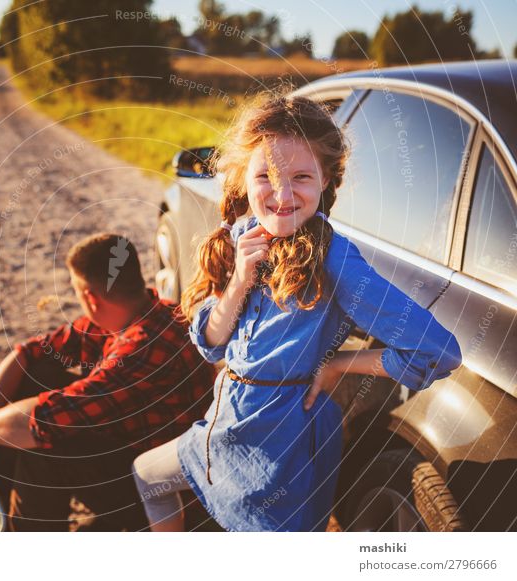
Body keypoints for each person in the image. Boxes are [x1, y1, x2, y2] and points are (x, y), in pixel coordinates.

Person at [131, 95, 464, 532]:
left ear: (326, 179)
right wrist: (239, 281)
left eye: (302, 177)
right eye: (265, 176)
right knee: (147, 475)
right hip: (224, 424)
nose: (283, 195)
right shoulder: (243, 235)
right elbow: (210, 345)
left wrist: (339, 365)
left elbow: (438, 351)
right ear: (241, 177)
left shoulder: (335, 260)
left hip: (279, 447)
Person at [0, 233, 215, 531]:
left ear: (89, 296)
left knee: (49, 448)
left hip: (164, 493)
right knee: (39, 374)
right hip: (131, 455)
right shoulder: (145, 310)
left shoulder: (143, 348)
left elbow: (45, 420)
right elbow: (28, 355)